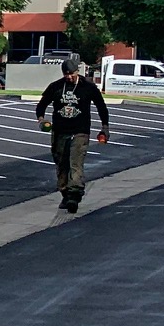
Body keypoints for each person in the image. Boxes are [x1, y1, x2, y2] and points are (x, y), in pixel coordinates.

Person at [35, 57, 109, 212]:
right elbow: (41, 105)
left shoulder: (88, 87)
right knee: (61, 163)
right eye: (66, 74)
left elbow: (101, 107)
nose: (69, 77)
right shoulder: (56, 87)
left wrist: (105, 127)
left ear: (77, 71)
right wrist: (41, 119)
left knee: (75, 162)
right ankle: (65, 193)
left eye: (72, 74)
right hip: (60, 131)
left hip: (80, 131)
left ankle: (74, 195)